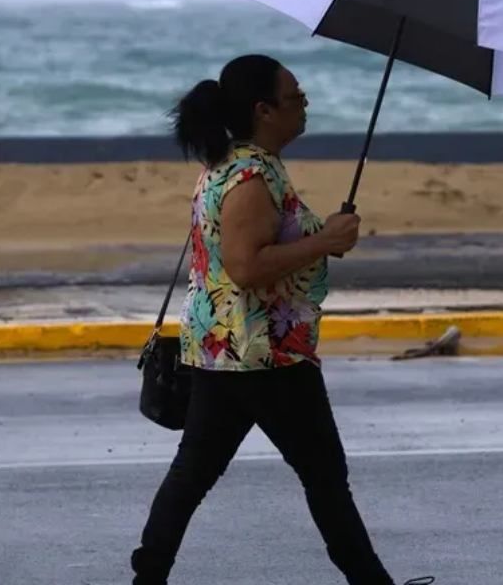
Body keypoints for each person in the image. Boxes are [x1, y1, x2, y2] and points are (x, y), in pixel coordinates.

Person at [130, 54, 434, 585]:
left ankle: (147, 577)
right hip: (264, 351)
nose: (305, 104)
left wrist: (323, 238)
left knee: (194, 472)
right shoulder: (251, 175)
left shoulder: (232, 163)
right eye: (295, 97)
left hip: (223, 348)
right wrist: (324, 240)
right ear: (263, 110)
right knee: (324, 476)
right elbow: (246, 267)